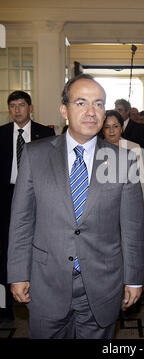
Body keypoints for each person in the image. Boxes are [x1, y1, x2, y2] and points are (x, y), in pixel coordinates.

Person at [7, 74, 144, 339]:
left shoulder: (123, 161)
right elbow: (22, 221)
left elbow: (133, 228)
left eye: (98, 104)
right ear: (64, 110)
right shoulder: (35, 155)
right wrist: (17, 273)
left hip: (102, 283)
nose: (91, 112)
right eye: (81, 103)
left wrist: (134, 278)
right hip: (45, 281)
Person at [0, 91, 55, 322]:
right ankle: (5, 306)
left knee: (36, 244)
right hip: (5, 197)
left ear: (30, 108)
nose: (17, 110)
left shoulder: (46, 133)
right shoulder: (1, 133)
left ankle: (38, 295)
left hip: (36, 196)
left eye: (21, 105)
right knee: (5, 248)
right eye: (12, 106)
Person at [101, 109, 144, 290]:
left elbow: (141, 183)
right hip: (105, 210)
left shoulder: (134, 148)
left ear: (122, 128)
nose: (112, 131)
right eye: (107, 127)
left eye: (115, 126)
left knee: (130, 248)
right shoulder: (96, 148)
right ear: (101, 129)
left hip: (130, 207)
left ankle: (132, 285)